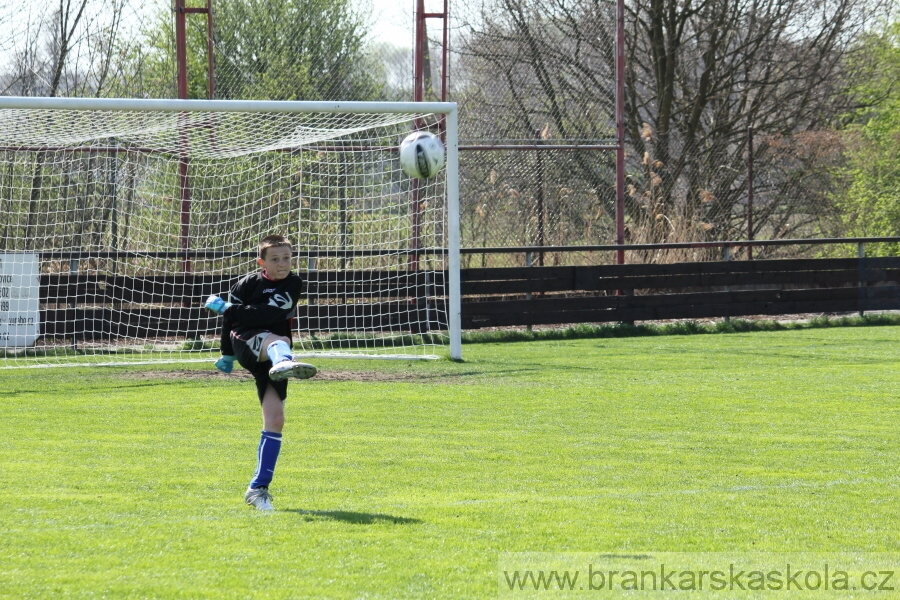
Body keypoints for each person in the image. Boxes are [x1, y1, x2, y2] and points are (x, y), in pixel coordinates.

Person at [203, 234, 316, 511]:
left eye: (287, 258)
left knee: (276, 419)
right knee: (281, 342)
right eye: (275, 259)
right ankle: (282, 362)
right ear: (261, 262)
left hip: (273, 354)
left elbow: (265, 314)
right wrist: (226, 354)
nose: (283, 264)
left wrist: (230, 308)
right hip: (247, 342)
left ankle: (257, 489)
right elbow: (232, 320)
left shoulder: (293, 283)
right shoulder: (246, 284)